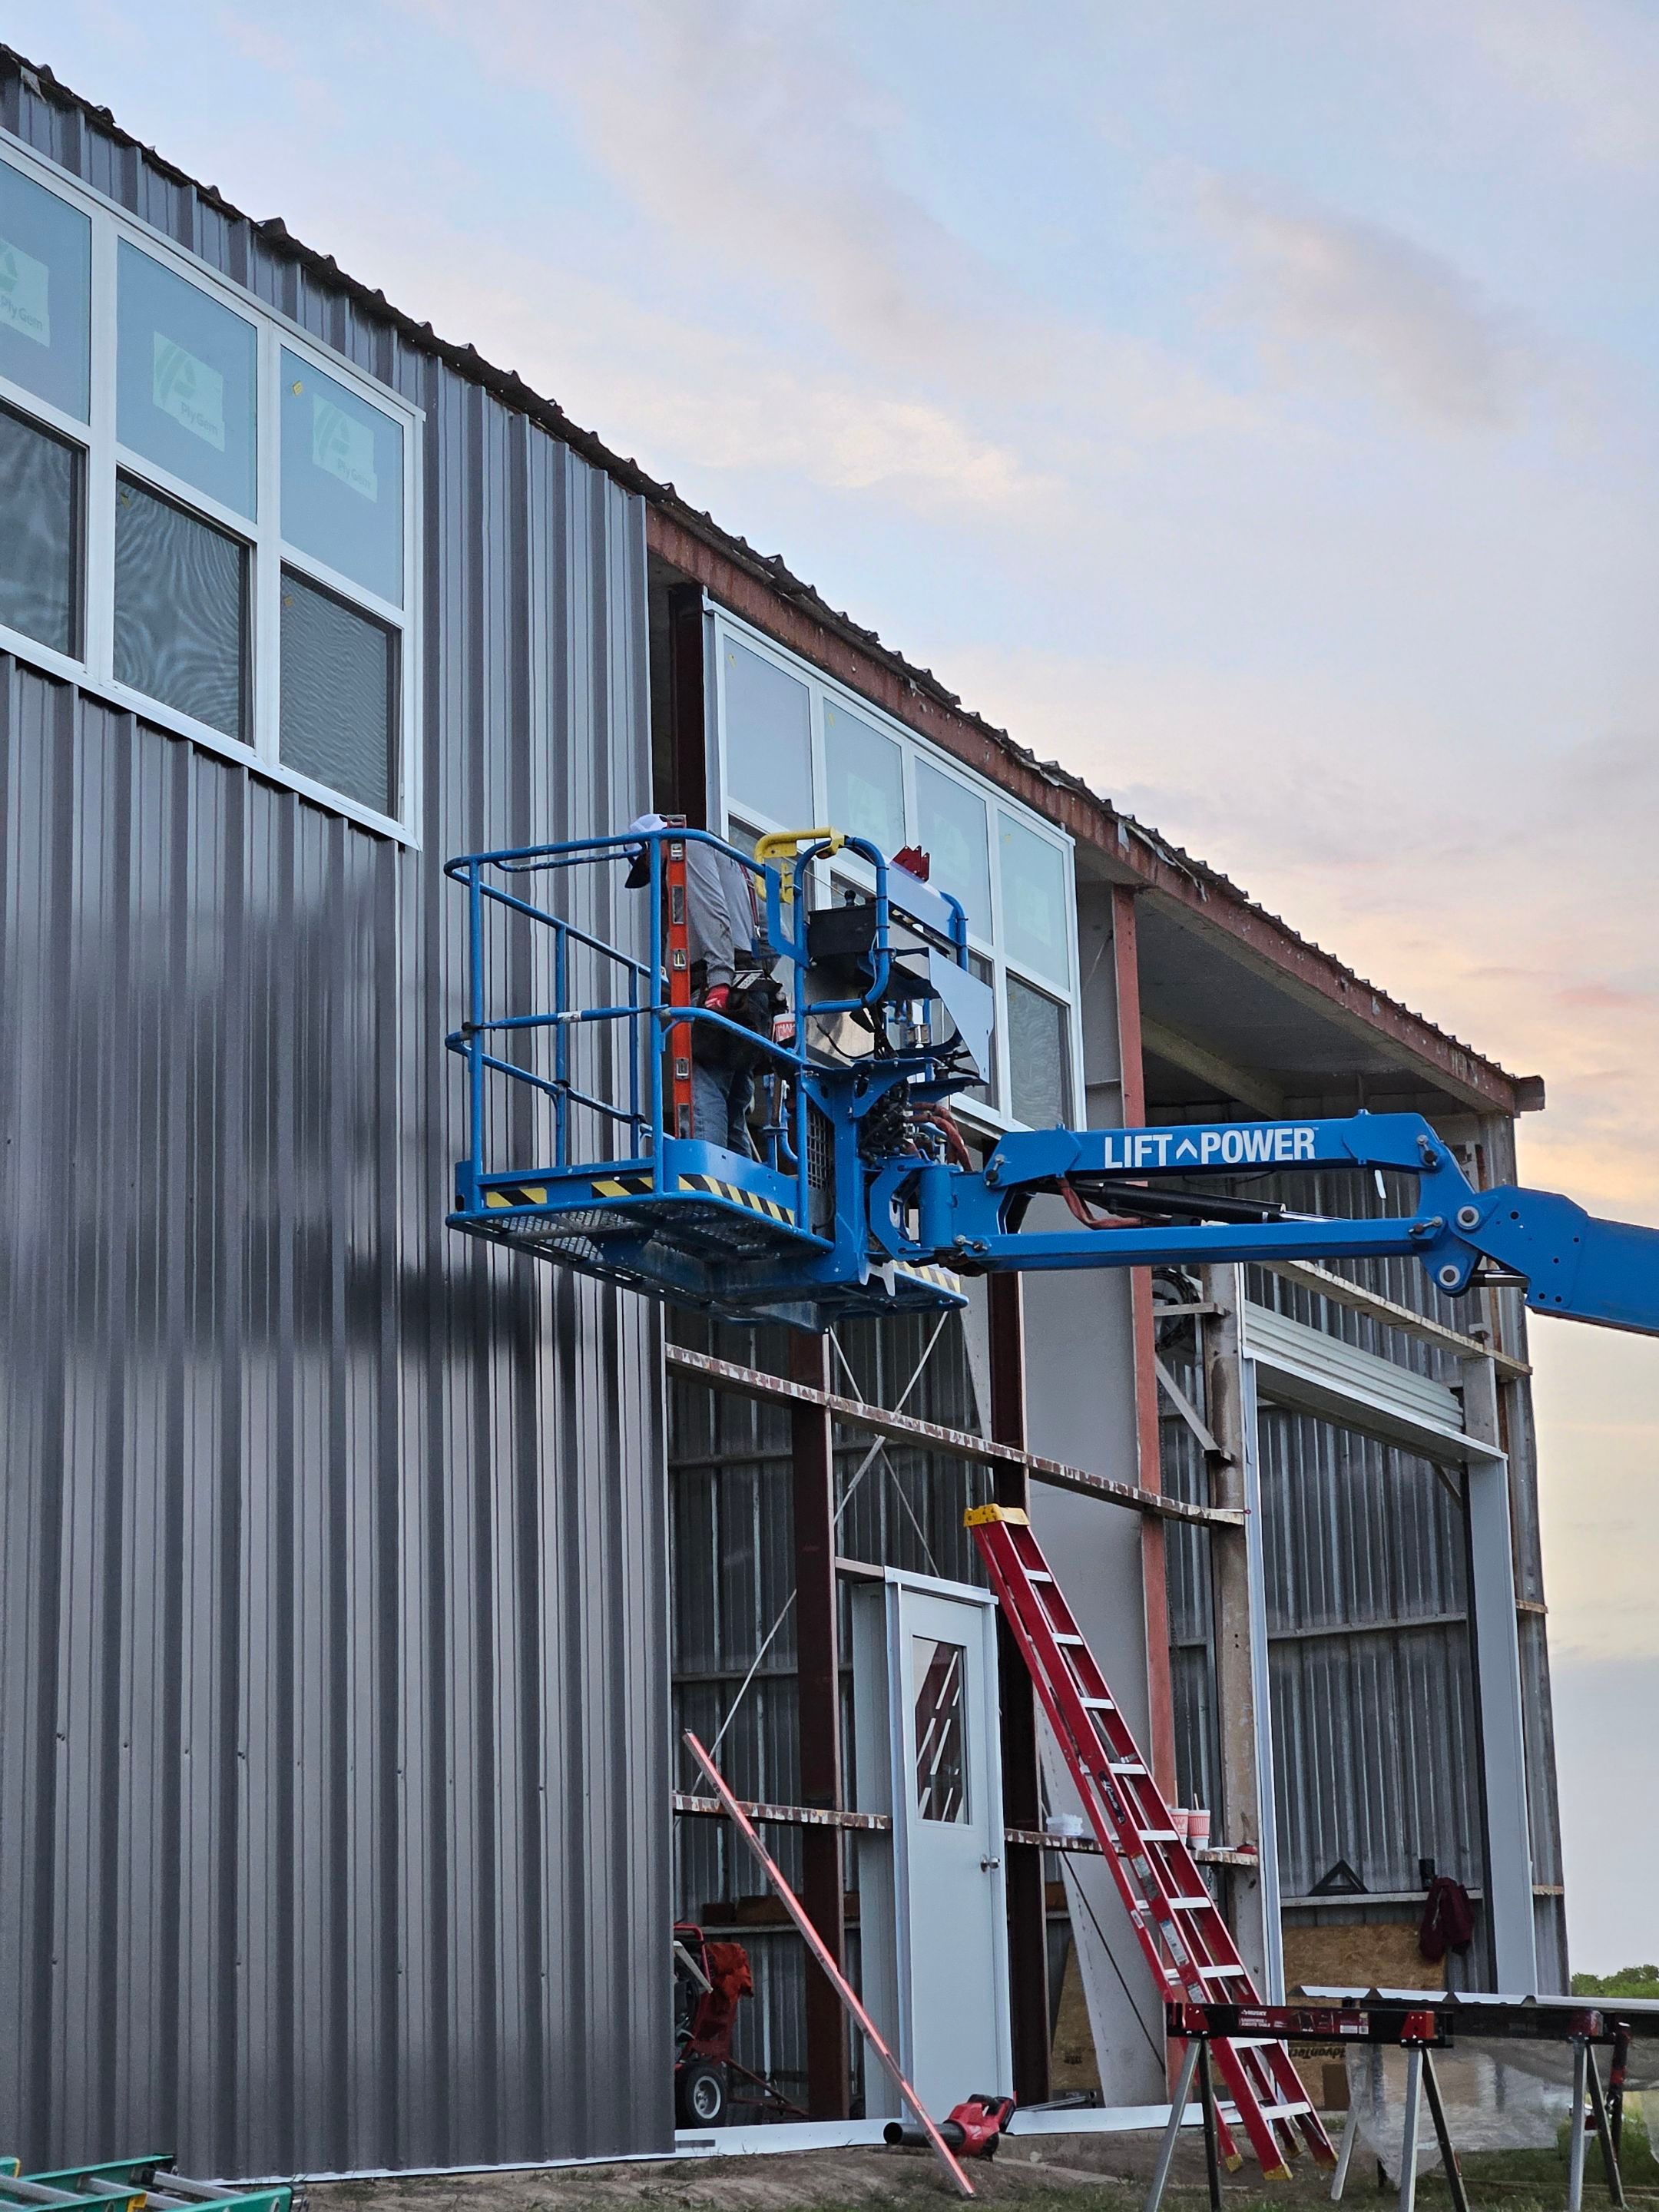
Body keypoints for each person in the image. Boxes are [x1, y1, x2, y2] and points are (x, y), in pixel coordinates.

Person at [624, 815, 779, 1154]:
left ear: (657, 844)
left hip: (718, 989)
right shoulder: (730, 859)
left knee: (703, 1086)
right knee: (735, 1101)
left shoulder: (687, 848)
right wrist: (754, 974)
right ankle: (740, 1184)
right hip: (749, 991)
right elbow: (770, 933)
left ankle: (711, 1176)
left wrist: (721, 981)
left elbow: (712, 912)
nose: (655, 875)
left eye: (649, 863)